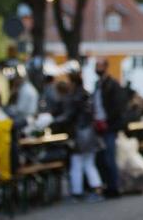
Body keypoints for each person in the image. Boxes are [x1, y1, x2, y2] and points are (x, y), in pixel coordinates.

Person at [52, 74, 104, 203]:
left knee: (77, 163)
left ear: (73, 83)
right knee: (89, 163)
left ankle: (77, 192)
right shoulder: (86, 94)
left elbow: (69, 115)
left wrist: (53, 121)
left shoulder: (75, 97)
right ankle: (96, 189)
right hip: (90, 133)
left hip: (79, 134)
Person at [93, 60, 128, 198]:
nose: (97, 69)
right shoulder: (99, 85)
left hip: (109, 126)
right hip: (100, 126)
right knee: (102, 158)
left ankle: (114, 186)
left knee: (109, 157)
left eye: (99, 66)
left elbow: (117, 106)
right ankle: (108, 184)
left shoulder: (112, 84)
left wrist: (108, 122)